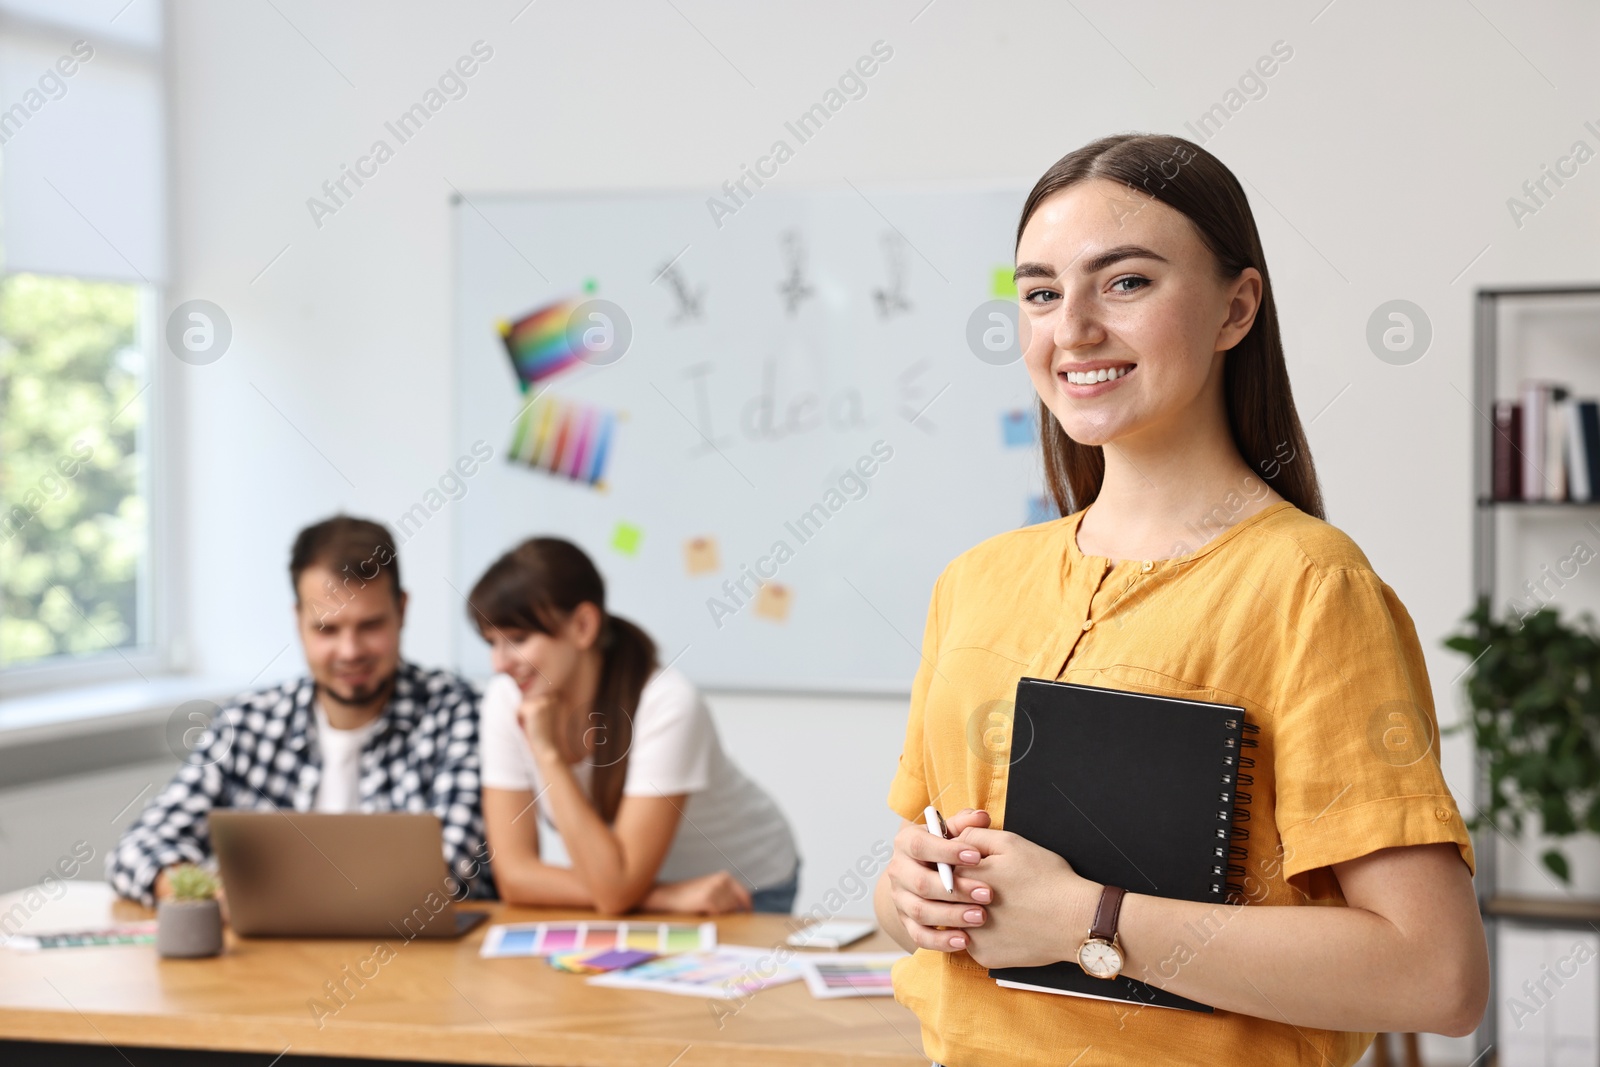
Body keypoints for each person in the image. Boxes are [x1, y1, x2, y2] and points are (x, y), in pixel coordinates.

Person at [872, 133, 1488, 1066]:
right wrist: (911, 895)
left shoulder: (1312, 588)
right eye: (1040, 292)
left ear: (1236, 309)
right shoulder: (974, 580)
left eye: (1125, 283)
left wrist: (1088, 918)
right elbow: (909, 893)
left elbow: (1435, 974)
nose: (1071, 328)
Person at [109, 516, 491, 905]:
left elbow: (448, 873)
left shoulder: (456, 713)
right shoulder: (247, 724)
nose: (350, 651)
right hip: (272, 962)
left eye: (370, 625)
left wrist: (268, 897)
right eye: (327, 629)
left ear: (402, 610)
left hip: (414, 959)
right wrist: (203, 894)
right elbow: (138, 850)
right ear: (298, 621)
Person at [469, 536, 799, 915]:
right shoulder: (506, 699)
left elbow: (615, 892)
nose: (499, 663)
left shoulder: (666, 703)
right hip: (651, 895)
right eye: (491, 642)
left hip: (740, 888)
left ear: (583, 625)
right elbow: (514, 876)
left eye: (518, 639)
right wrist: (663, 897)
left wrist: (547, 752)